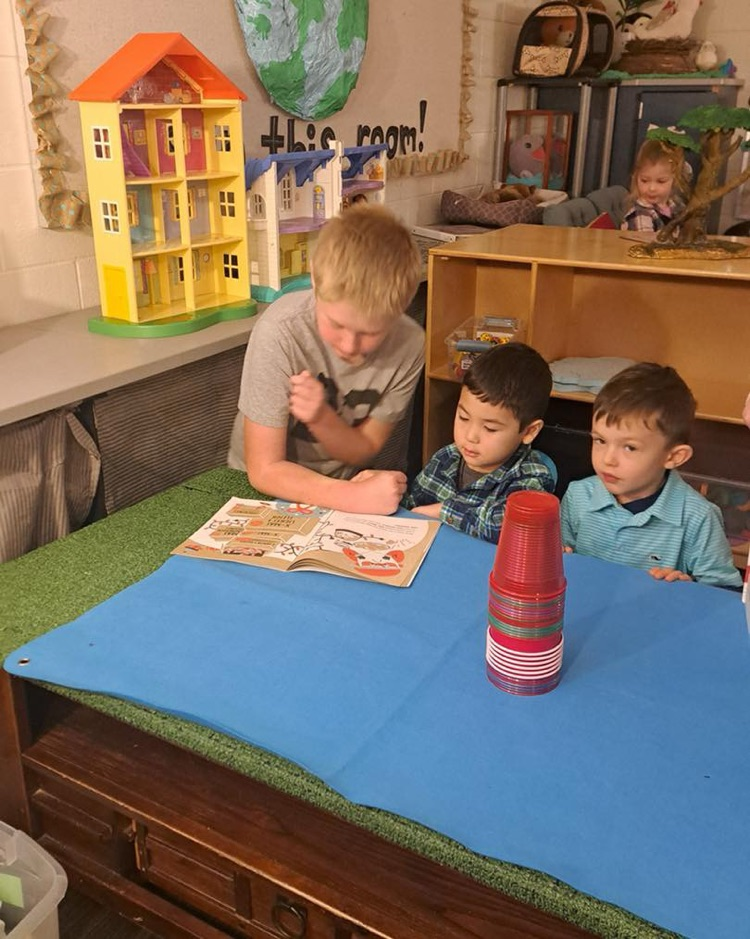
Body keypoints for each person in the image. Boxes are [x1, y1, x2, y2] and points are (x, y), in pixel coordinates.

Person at [227, 204, 424, 515]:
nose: (349, 345)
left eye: (370, 332)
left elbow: (365, 449)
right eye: (336, 324)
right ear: (315, 284)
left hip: (341, 486)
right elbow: (263, 470)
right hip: (256, 488)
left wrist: (321, 418)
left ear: (401, 308)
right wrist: (351, 497)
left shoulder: (410, 344)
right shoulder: (279, 331)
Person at [561, 362, 741, 587]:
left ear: (674, 457)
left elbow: (725, 593)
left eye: (630, 447)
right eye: (600, 440)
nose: (607, 459)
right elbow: (560, 561)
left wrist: (689, 586)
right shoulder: (578, 495)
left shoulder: (698, 517)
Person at [402, 342, 556, 544]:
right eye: (463, 417)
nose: (471, 436)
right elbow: (413, 506)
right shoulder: (445, 458)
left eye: (490, 428)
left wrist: (444, 511)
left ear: (529, 431)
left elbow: (511, 528)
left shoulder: (531, 476)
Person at [620, 138, 690, 233]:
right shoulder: (641, 214)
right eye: (644, 180)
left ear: (674, 179)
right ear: (636, 177)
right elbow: (645, 245)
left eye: (661, 181)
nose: (652, 188)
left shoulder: (677, 206)